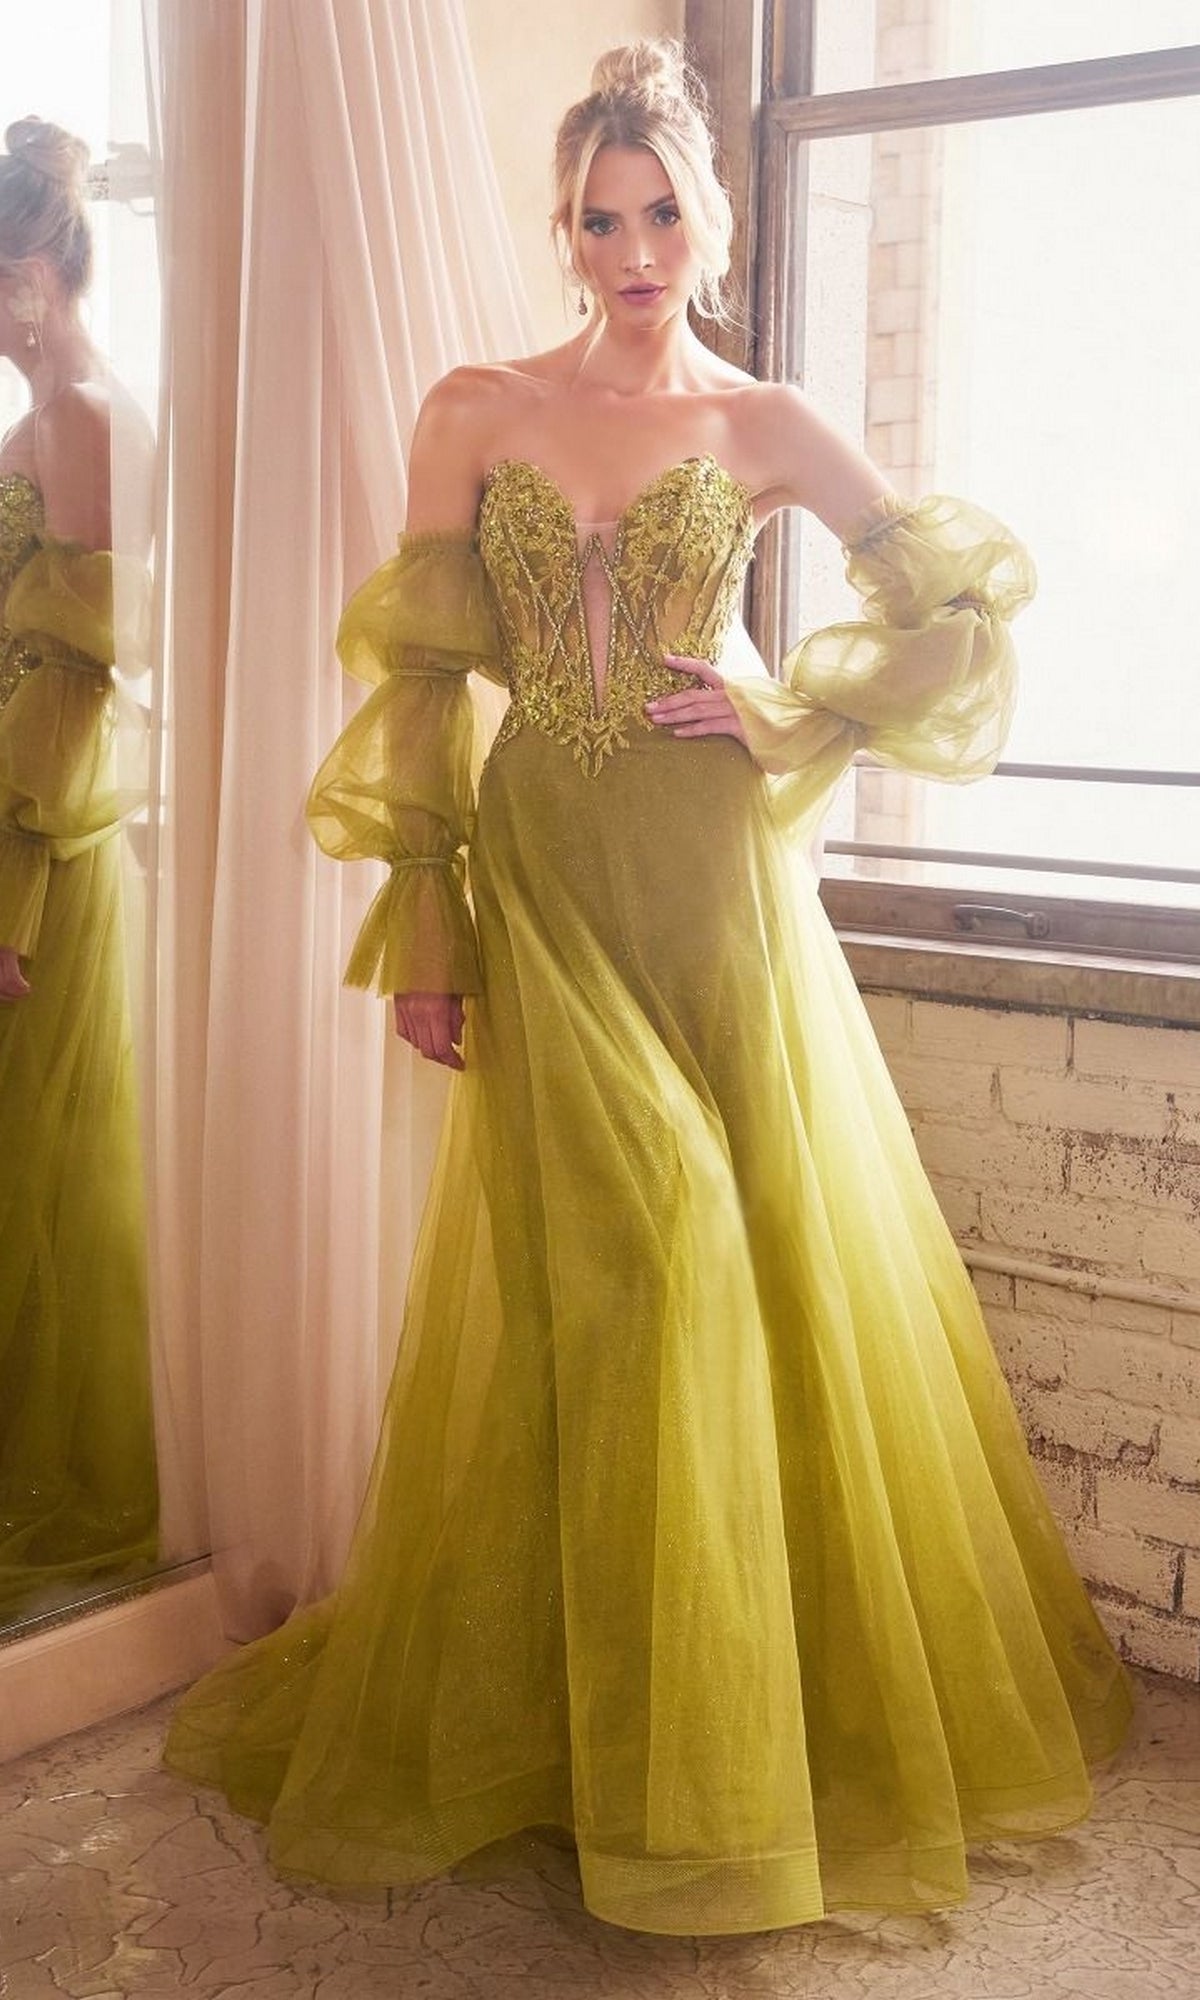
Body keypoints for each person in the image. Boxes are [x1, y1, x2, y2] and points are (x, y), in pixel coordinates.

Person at [165, 43, 1131, 1936]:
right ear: (563, 224)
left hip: (708, 874)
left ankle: (717, 1748)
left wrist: (788, 710)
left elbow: (954, 600)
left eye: (663, 210)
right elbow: (427, 696)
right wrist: (429, 933)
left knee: (719, 1249)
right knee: (610, 1267)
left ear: (714, 217)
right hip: (540, 869)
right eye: (599, 216)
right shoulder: (478, 407)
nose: (630, 248)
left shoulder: (760, 419)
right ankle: (592, 1723)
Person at [0, 116, 158, 1619]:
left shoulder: (91, 422)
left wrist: (13, 893)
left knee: (44, 1176)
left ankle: (59, 1490)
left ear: (35, 269)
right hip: (10, 826)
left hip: (40, 851)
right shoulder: (35, 425)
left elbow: (76, 681)